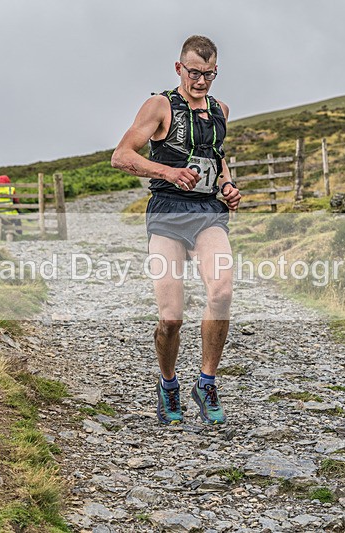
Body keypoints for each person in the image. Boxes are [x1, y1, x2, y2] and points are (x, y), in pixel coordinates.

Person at [111, 35, 241, 425]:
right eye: (194, 72)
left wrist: (228, 186)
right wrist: (168, 171)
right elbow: (121, 156)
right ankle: (168, 384)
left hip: (207, 213)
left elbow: (217, 159)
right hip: (167, 214)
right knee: (171, 318)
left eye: (209, 74)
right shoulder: (159, 105)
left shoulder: (221, 110)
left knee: (222, 291)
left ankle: (206, 382)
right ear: (178, 68)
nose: (201, 81)